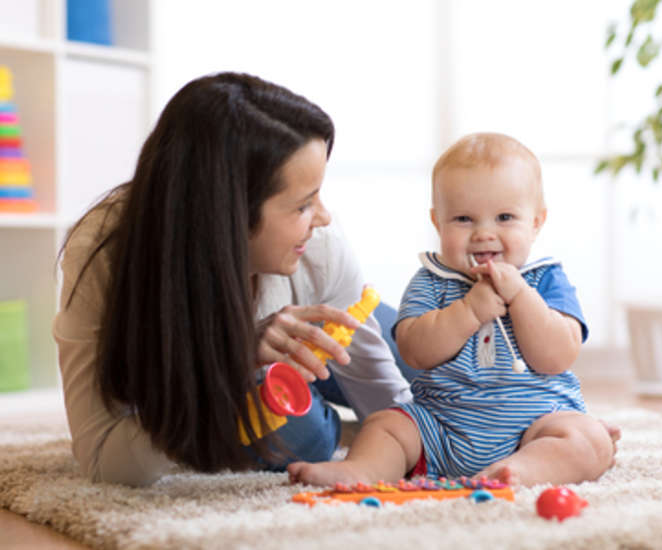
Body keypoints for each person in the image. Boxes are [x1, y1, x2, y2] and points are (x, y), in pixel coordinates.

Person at [53, 72, 411, 487]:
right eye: (303, 205)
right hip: (231, 388)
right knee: (302, 430)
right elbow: (104, 460)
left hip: (322, 329)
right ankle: (327, 421)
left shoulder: (321, 248)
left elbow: (387, 399)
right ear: (228, 217)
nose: (325, 218)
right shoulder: (104, 253)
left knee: (447, 368)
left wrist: (405, 440)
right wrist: (229, 360)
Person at [289, 132, 619, 488]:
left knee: (590, 440)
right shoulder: (432, 280)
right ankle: (362, 471)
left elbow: (557, 357)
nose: (483, 233)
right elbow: (414, 352)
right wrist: (468, 311)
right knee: (386, 426)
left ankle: (520, 472)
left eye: (505, 217)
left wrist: (520, 297)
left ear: (536, 222)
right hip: (441, 426)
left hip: (535, 425)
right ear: (438, 222)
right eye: (463, 219)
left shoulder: (545, 279)